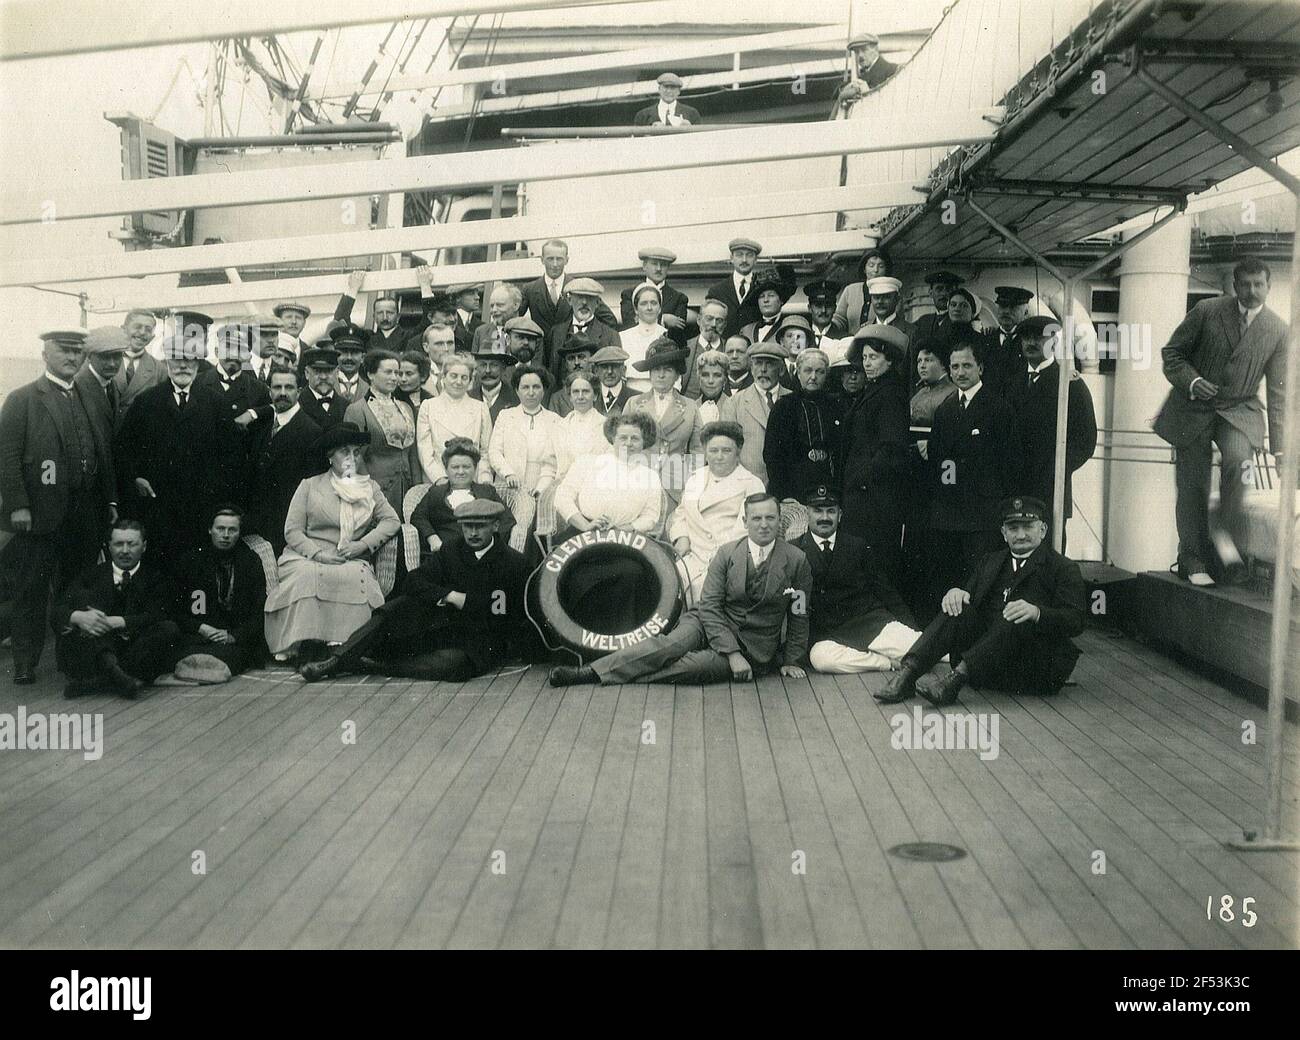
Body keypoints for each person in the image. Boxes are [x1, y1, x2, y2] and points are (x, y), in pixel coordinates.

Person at [548, 494, 811, 686]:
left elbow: (799, 614)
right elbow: (709, 605)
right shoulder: (727, 553)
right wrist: (731, 654)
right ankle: (588, 673)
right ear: (745, 521)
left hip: (753, 647)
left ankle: (622, 676)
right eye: (756, 518)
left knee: (695, 668)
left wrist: (792, 660)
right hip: (706, 623)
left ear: (779, 521)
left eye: (770, 518)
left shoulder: (796, 560)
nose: (763, 524)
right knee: (668, 646)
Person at [1154, 257, 1289, 586]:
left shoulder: (1278, 330)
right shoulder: (1207, 311)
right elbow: (1172, 354)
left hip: (1238, 410)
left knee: (1240, 462)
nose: (1252, 291)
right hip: (1194, 407)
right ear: (1234, 286)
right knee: (1193, 482)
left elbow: (1278, 394)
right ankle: (1192, 556)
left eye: (1259, 284)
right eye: (1246, 284)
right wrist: (1193, 381)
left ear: (1269, 287)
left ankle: (1223, 533)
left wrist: (1282, 451)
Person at [876, 496, 1085, 706]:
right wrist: (957, 594)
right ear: (1004, 533)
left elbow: (1076, 621)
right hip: (989, 668)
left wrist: (1037, 612)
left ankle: (953, 680)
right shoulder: (990, 561)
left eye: (1028, 527)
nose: (1021, 535)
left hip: (1031, 669)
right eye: (1013, 528)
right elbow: (970, 603)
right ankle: (908, 675)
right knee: (957, 609)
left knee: (1017, 614)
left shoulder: (1062, 568)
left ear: (1043, 530)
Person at [299, 499, 531, 682]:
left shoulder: (513, 563)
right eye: (467, 526)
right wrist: (449, 596)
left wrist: (466, 602)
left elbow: (504, 612)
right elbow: (414, 580)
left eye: (480, 527)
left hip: (482, 638)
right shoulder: (452, 550)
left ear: (496, 526)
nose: (472, 533)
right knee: (395, 608)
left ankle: (367, 665)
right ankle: (337, 661)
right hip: (443, 624)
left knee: (456, 666)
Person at [0, 329, 117, 684]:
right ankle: (24, 662)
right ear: (45, 355)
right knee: (31, 591)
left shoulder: (91, 395)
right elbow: (6, 457)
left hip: (84, 511)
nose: (71, 358)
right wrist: (19, 506)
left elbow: (104, 450)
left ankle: (73, 660)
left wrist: (109, 499)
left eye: (76, 352)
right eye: (63, 352)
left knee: (77, 589)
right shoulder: (22, 399)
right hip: (38, 514)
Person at [263, 423, 401, 661]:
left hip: (350, 555)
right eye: (343, 452)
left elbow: (391, 520)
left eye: (355, 452)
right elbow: (292, 531)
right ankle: (297, 641)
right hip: (307, 555)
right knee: (307, 575)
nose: (350, 458)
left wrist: (363, 545)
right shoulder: (309, 486)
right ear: (330, 457)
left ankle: (346, 642)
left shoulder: (369, 488)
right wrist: (318, 554)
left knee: (352, 576)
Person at [922, 339, 1022, 620]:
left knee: (980, 583)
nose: (961, 372)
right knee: (949, 581)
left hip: (984, 515)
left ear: (980, 367)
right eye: (955, 366)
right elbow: (941, 462)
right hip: (951, 513)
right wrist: (946, 493)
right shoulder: (945, 410)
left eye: (967, 365)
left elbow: (1010, 465)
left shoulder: (999, 409)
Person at [114, 328, 223, 570]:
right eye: (177, 359)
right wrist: (136, 477)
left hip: (200, 507)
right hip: (157, 507)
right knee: (158, 568)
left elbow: (230, 456)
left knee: (196, 568)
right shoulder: (146, 402)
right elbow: (123, 449)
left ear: (198, 364)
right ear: (167, 362)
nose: (183, 366)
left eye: (190, 360)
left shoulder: (215, 403)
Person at [794, 486, 922, 674]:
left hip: (867, 624)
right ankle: (886, 663)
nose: (824, 517)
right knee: (822, 660)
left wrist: (909, 628)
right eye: (818, 511)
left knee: (923, 648)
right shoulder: (795, 550)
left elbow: (885, 591)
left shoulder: (857, 546)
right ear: (807, 513)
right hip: (826, 634)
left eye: (831, 511)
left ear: (840, 514)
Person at [53, 518, 180, 698]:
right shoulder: (91, 575)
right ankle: (118, 679)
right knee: (86, 620)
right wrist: (78, 617)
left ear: (143, 546)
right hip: (97, 646)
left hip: (135, 650)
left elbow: (160, 614)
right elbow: (57, 611)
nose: (125, 551)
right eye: (119, 544)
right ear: (109, 546)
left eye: (132, 544)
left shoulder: (156, 577)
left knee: (169, 629)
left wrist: (119, 621)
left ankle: (99, 682)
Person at [1011, 316, 1098, 533]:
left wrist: (1058, 469)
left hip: (1051, 489)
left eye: (1039, 338)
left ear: (1053, 341)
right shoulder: (1013, 383)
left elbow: (1086, 440)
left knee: (1049, 555)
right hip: (1016, 487)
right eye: (1026, 338)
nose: (1031, 343)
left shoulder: (1070, 384)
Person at [837, 325, 911, 569]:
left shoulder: (890, 394)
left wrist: (861, 478)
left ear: (889, 360)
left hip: (874, 498)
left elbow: (892, 448)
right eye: (865, 357)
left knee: (875, 562)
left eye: (874, 357)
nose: (866, 363)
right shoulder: (875, 389)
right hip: (864, 496)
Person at [669, 420, 765, 598]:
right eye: (713, 450)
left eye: (726, 451)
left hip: (731, 559)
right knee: (668, 586)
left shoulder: (751, 483)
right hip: (692, 555)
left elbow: (747, 529)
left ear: (738, 451)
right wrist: (681, 538)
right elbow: (681, 514)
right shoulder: (695, 479)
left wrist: (720, 556)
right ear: (705, 451)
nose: (719, 456)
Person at [171, 504, 267, 676]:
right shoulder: (192, 561)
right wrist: (201, 627)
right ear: (210, 530)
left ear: (239, 532)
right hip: (199, 635)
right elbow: (175, 609)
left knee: (231, 657)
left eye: (232, 530)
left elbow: (259, 610)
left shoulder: (250, 561)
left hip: (233, 639)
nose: (225, 535)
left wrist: (233, 635)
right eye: (220, 529)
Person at [249, 366, 325, 554]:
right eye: (277, 387)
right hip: (257, 524)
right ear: (269, 391)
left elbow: (315, 491)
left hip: (288, 527)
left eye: (289, 388)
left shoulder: (312, 432)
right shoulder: (261, 426)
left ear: (299, 391)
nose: (282, 393)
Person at [555, 410, 664, 538]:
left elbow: (650, 517)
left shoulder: (651, 477)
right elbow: (562, 497)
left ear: (644, 441)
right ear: (613, 438)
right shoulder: (587, 462)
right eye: (623, 437)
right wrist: (585, 525)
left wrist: (622, 529)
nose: (628, 443)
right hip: (582, 533)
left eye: (634, 438)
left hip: (625, 536)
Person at [488, 364, 560, 554]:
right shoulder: (506, 416)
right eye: (525, 387)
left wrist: (541, 488)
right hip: (508, 488)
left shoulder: (555, 420)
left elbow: (553, 461)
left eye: (536, 387)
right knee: (507, 533)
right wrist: (508, 473)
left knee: (533, 541)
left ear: (544, 389)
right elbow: (494, 451)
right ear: (517, 390)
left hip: (540, 487)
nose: (531, 392)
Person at [624, 338, 704, 506]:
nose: (661, 375)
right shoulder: (634, 403)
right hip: (638, 485)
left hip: (675, 488)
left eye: (667, 370)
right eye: (656, 369)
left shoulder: (690, 407)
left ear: (676, 374)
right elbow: (622, 448)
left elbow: (698, 452)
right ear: (649, 373)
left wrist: (689, 484)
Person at [200, 323, 274, 503]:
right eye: (228, 348)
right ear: (217, 352)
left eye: (240, 349)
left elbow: (275, 411)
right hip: (203, 473)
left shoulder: (258, 389)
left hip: (241, 477)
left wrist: (254, 413)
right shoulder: (198, 383)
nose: (233, 355)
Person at [343, 348, 421, 515]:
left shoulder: (406, 408)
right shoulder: (357, 410)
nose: (394, 378)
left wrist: (417, 488)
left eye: (397, 373)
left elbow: (412, 453)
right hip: (375, 490)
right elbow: (351, 457)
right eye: (388, 372)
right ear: (371, 374)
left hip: (406, 490)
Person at [765, 348, 843, 505]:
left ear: (826, 374)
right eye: (808, 371)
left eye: (819, 372)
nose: (813, 377)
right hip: (793, 491)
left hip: (830, 487)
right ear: (798, 373)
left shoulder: (837, 406)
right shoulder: (784, 406)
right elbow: (772, 454)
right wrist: (783, 494)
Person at [410, 438, 513, 555]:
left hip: (481, 556)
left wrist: (491, 545)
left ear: (474, 468)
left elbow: (507, 520)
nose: (461, 472)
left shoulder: (487, 492)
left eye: (466, 467)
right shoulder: (436, 493)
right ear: (446, 469)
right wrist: (432, 537)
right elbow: (418, 517)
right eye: (455, 467)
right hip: (445, 555)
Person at [719, 340, 790, 484]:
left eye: (769, 364)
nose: (763, 369)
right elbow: (727, 450)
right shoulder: (734, 403)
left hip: (786, 489)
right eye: (758, 363)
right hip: (748, 487)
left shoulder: (793, 400)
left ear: (781, 369)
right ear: (751, 368)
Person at [417, 353, 493, 484]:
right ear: (444, 377)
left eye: (464, 378)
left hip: (473, 480)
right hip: (439, 481)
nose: (458, 382)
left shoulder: (480, 408)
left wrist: (484, 479)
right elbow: (424, 450)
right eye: (453, 376)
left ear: (470, 381)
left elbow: (485, 451)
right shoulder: (429, 406)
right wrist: (440, 478)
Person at [517, 240, 618, 337]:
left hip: (571, 351)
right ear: (542, 260)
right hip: (542, 353)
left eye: (559, 259)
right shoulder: (529, 289)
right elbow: (514, 319)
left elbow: (609, 320)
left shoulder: (579, 287)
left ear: (566, 260)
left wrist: (590, 341)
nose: (555, 264)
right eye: (550, 259)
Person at [544, 277, 620, 381]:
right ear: (569, 300)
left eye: (589, 297)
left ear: (597, 303)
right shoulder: (556, 333)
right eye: (579, 297)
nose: (584, 302)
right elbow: (551, 372)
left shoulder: (610, 335)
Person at [621, 247, 690, 348]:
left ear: (668, 268)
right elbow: (629, 324)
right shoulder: (629, 294)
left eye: (663, 265)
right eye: (654, 264)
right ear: (644, 266)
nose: (658, 269)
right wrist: (662, 319)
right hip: (636, 348)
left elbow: (677, 333)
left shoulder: (679, 298)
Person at [979, 286, 1034, 400]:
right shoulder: (985, 340)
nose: (1007, 311)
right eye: (1003, 306)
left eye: (1013, 307)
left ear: (1026, 312)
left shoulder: (1031, 344)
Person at [74, 326, 128, 443]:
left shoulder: (112, 384)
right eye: (105, 357)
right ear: (89, 356)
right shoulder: (77, 388)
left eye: (117, 356)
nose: (112, 364)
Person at [553, 370, 609, 476]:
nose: (580, 396)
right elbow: (554, 465)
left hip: (593, 486)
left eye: (586, 391)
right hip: (564, 486)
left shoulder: (605, 426)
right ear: (570, 396)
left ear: (595, 395)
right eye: (575, 392)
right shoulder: (560, 426)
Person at [706, 238, 763, 339]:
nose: (744, 260)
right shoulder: (717, 291)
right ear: (731, 258)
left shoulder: (762, 287)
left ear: (756, 260)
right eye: (739, 255)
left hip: (753, 349)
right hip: (726, 349)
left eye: (749, 255)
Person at [619, 282, 669, 392]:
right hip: (630, 396)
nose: (649, 308)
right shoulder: (623, 337)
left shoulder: (668, 336)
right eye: (644, 303)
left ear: (660, 308)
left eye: (654, 303)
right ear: (636, 309)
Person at [115, 309, 163, 412]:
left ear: (152, 337)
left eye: (148, 329)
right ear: (123, 329)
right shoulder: (105, 361)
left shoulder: (160, 370)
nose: (142, 332)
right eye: (137, 327)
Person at [832, 249, 891, 332]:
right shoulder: (850, 290)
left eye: (881, 266)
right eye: (871, 265)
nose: (876, 270)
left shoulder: (892, 293)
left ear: (886, 270)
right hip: (851, 343)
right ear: (864, 269)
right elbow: (839, 319)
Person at [911, 270, 962, 361]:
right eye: (939, 289)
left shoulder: (961, 322)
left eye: (948, 289)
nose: (944, 293)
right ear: (931, 293)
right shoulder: (922, 322)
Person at [297, 345, 351, 431]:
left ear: (337, 373)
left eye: (328, 371)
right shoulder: (297, 405)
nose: (323, 377)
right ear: (307, 373)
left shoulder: (347, 407)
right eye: (317, 371)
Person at [682, 298, 727, 398]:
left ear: (725, 324)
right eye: (709, 318)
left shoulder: (729, 350)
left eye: (719, 320)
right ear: (698, 320)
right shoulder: (684, 348)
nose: (714, 324)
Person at [547, 334, 598, 416]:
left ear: (591, 360)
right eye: (571, 358)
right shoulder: (557, 399)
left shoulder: (602, 392)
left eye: (581, 357)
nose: (576, 363)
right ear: (566, 364)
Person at [470, 341, 521, 424]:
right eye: (483, 365)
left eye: (494, 365)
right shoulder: (468, 398)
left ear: (503, 369)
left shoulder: (516, 399)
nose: (487, 371)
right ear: (476, 368)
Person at [738, 268, 791, 346]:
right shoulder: (746, 331)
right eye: (761, 296)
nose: (765, 300)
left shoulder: (789, 327)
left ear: (781, 300)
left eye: (771, 295)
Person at [909, 345, 957, 426]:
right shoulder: (921, 392)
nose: (922, 366)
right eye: (919, 361)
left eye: (927, 360)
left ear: (942, 364)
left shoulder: (953, 393)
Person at [470, 284, 524, 354]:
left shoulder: (529, 332)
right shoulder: (480, 332)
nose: (494, 310)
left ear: (516, 306)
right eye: (492, 306)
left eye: (500, 305)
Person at [633, 71, 702, 126]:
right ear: (659, 89)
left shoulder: (692, 113)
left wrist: (689, 130)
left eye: (673, 88)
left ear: (678, 92)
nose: (669, 91)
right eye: (666, 87)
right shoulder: (643, 115)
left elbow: (699, 140)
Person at [590, 345, 638, 416]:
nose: (609, 371)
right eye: (604, 367)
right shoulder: (589, 398)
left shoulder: (636, 398)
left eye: (615, 366)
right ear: (596, 371)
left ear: (623, 370)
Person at [331, 322, 371, 401]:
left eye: (354, 352)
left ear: (362, 357)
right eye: (344, 351)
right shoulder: (325, 384)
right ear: (335, 355)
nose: (349, 358)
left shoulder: (369, 389)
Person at [693, 349, 730, 425]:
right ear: (699, 378)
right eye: (705, 375)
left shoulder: (734, 407)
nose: (710, 381)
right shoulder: (691, 408)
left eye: (717, 375)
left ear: (725, 380)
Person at [804, 279, 845, 343]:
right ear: (809, 308)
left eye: (828, 305)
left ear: (835, 308)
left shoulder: (844, 339)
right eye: (818, 306)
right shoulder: (803, 337)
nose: (823, 310)